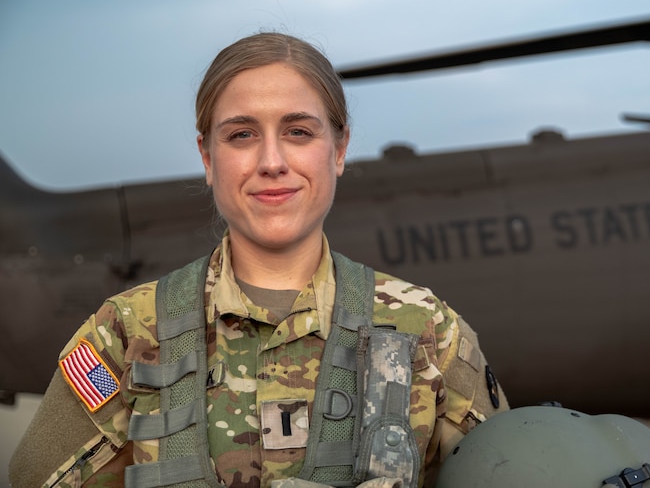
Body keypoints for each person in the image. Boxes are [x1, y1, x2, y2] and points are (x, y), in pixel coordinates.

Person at [9, 32, 507, 488]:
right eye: (242, 134)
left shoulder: (425, 331)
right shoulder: (124, 335)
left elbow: (518, 466)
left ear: (339, 149)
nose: (272, 161)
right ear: (207, 158)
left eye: (298, 132)